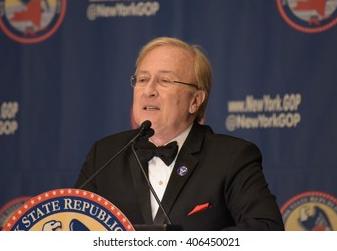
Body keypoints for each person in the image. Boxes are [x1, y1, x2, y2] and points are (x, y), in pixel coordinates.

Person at [74, 37, 284, 231]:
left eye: (165, 81)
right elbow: (70, 224)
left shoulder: (232, 157)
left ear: (195, 100)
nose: (149, 91)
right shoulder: (104, 155)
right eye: (143, 79)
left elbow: (267, 229)